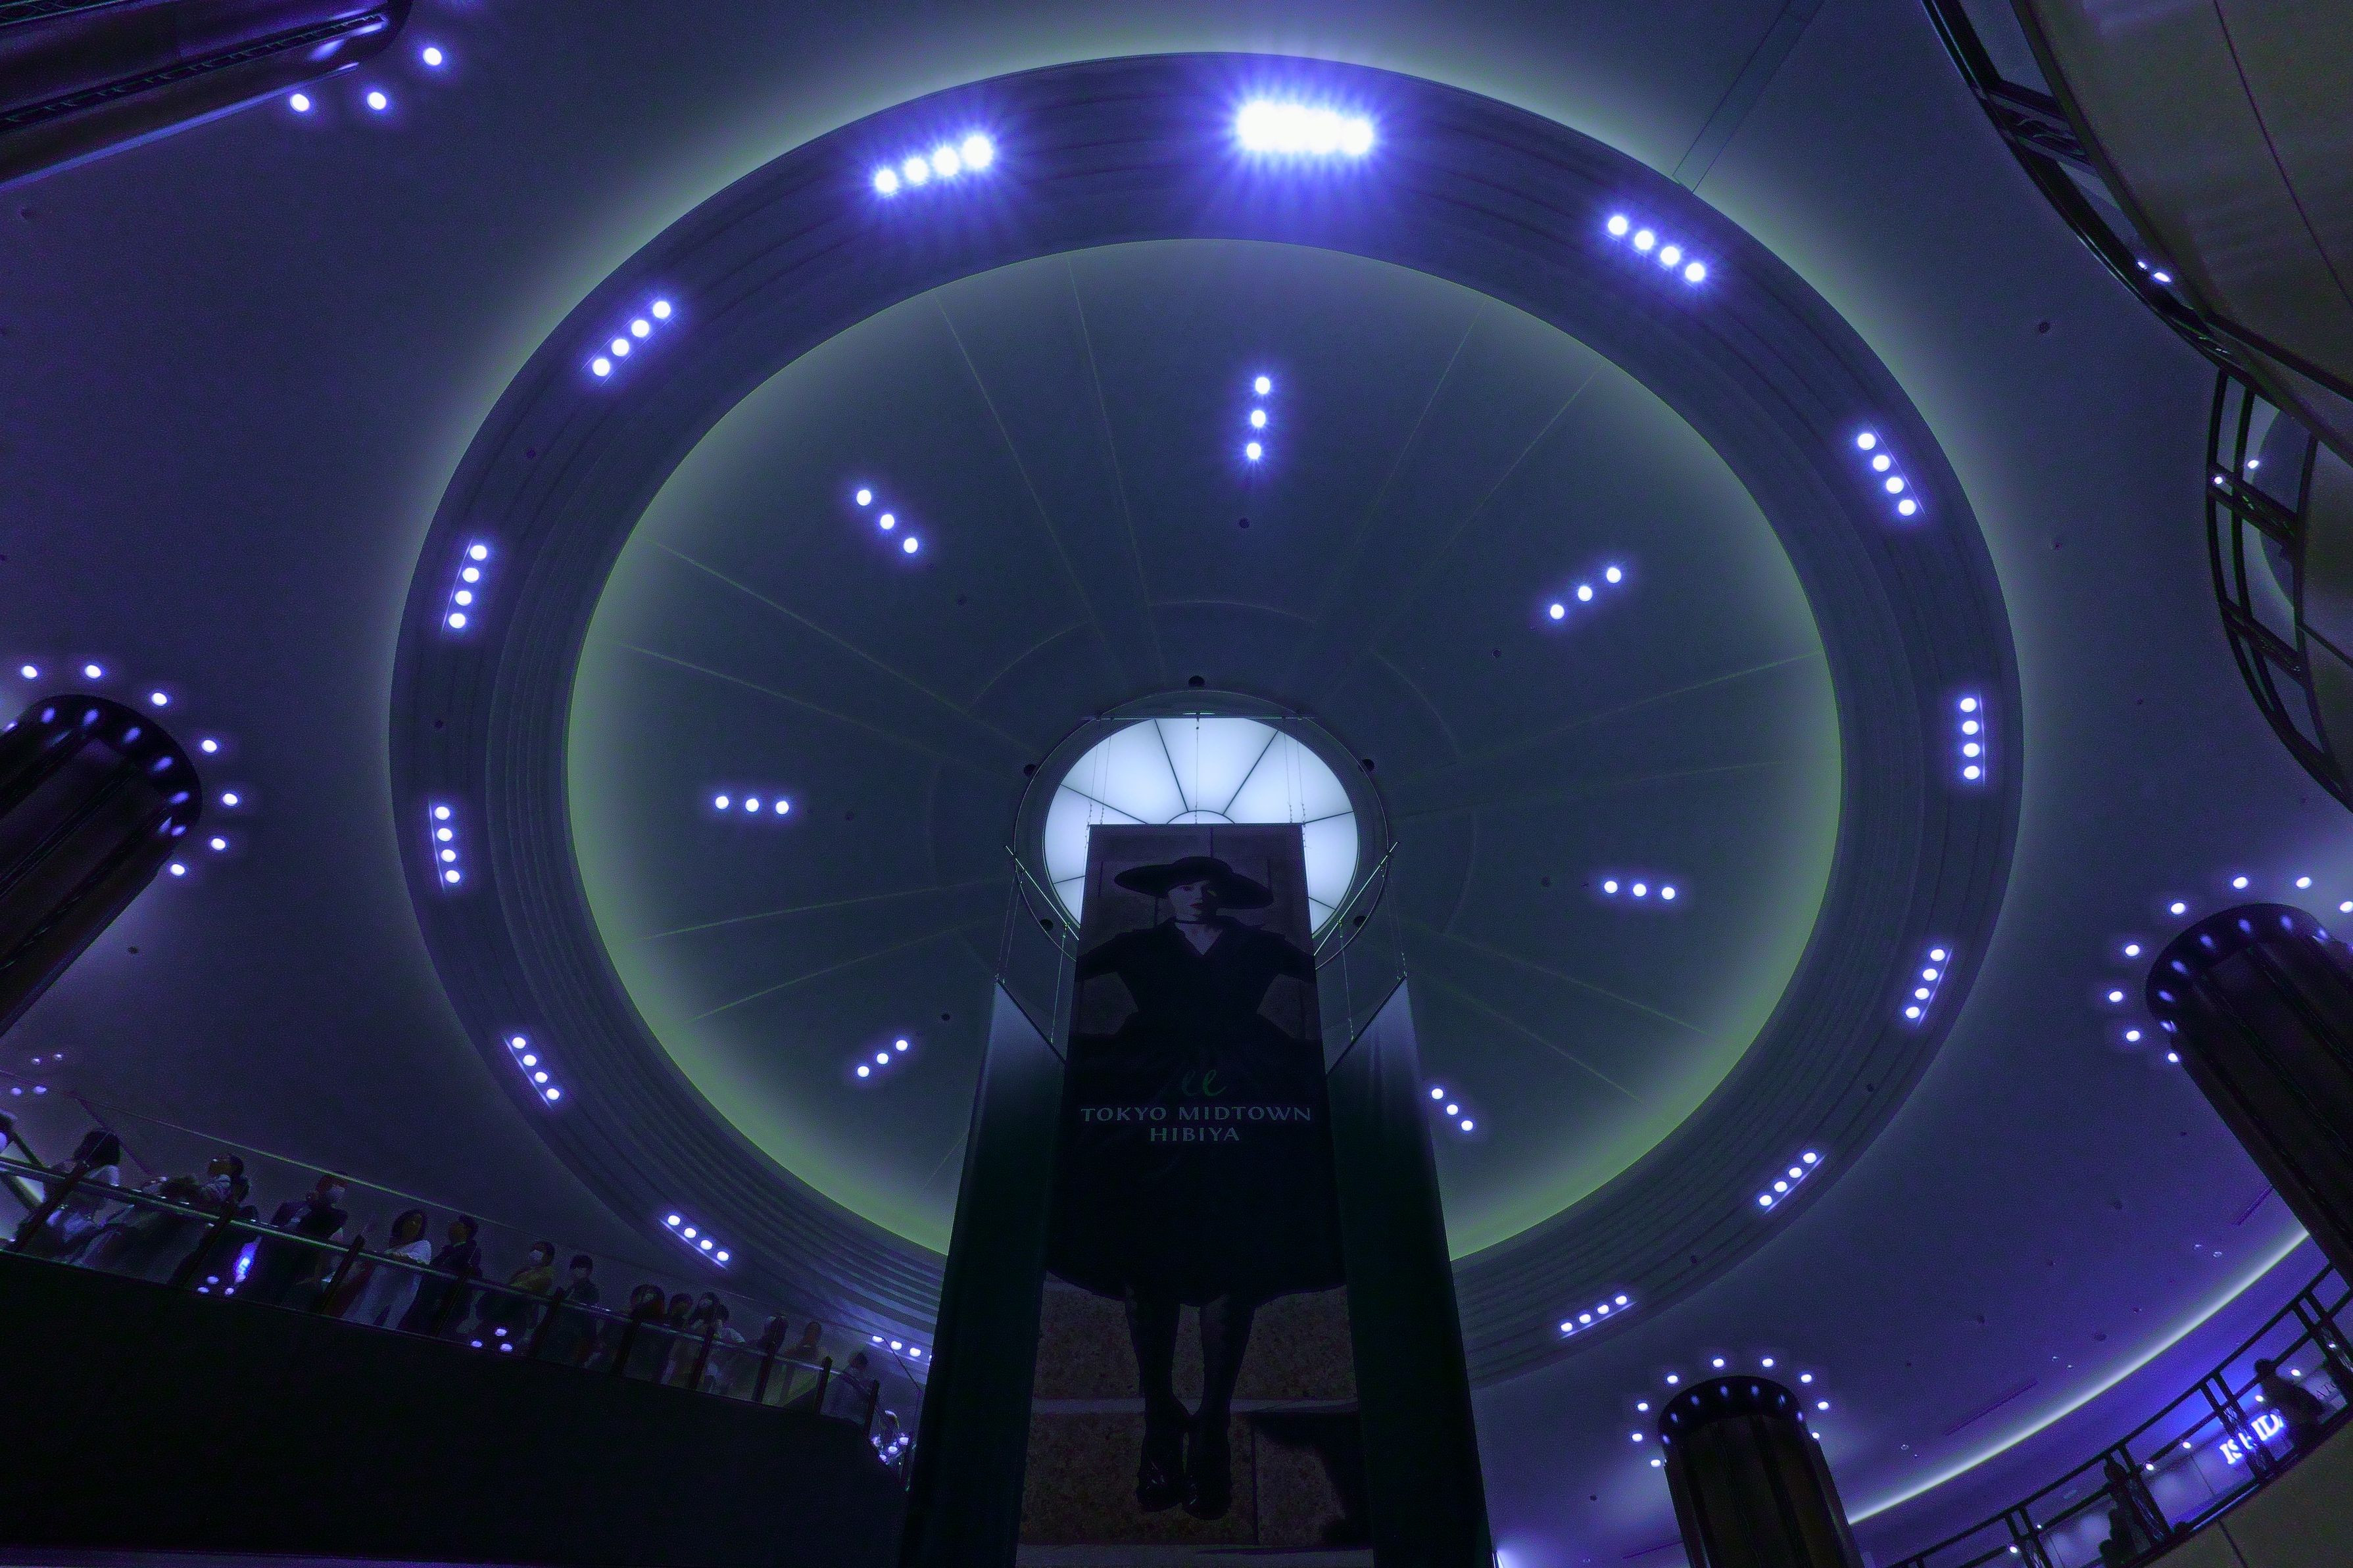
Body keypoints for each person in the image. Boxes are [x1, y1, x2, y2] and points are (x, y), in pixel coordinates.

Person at [1050, 854, 1339, 1520]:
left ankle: (1211, 1421)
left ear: (1222, 894)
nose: (1197, 895)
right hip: (1146, 1087)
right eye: (1184, 885)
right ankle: (1160, 1414)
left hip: (1247, 1085)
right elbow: (1065, 972)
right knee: (1141, 1249)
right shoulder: (1136, 946)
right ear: (1166, 894)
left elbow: (1331, 973)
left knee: (1232, 1256)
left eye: (1208, 886)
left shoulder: (1260, 946)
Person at [241, 1173, 350, 1306]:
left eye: (343, 1187)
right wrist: (257, 1261)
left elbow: (326, 1225)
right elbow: (270, 1234)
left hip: (295, 1270)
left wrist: (316, 1204)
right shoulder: (290, 1206)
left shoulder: (338, 1216)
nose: (339, 1190)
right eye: (336, 1184)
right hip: (268, 1261)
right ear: (322, 1183)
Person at [342, 1209, 433, 1329]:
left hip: (392, 1300)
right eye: (410, 1220)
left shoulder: (423, 1245)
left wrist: (398, 1257)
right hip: (372, 1294)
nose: (413, 1224)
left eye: (418, 1222)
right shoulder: (390, 1246)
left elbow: (417, 1259)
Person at [399, 1214, 481, 1335]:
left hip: (438, 1309)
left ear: (466, 1230)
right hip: (426, 1305)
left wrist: (439, 1301)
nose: (451, 1227)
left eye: (456, 1224)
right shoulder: (449, 1252)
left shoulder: (469, 1253)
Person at [472, 1240, 559, 1344]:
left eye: (539, 1250)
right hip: (502, 1311)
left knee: (499, 1343)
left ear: (549, 1257)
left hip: (516, 1316)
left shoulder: (546, 1276)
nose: (534, 1253)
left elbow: (528, 1289)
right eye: (533, 1250)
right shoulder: (526, 1271)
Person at [2255, 1358, 2330, 1452]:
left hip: (2300, 1425)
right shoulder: (2283, 1385)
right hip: (2304, 1423)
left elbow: (2270, 1405)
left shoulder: (2270, 1389)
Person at [823, 1349, 879, 1425]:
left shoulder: (870, 1384)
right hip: (832, 1419)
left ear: (863, 1367)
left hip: (852, 1424)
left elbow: (873, 1407)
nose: (852, 1368)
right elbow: (831, 1399)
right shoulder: (839, 1377)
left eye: (855, 1365)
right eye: (850, 1365)